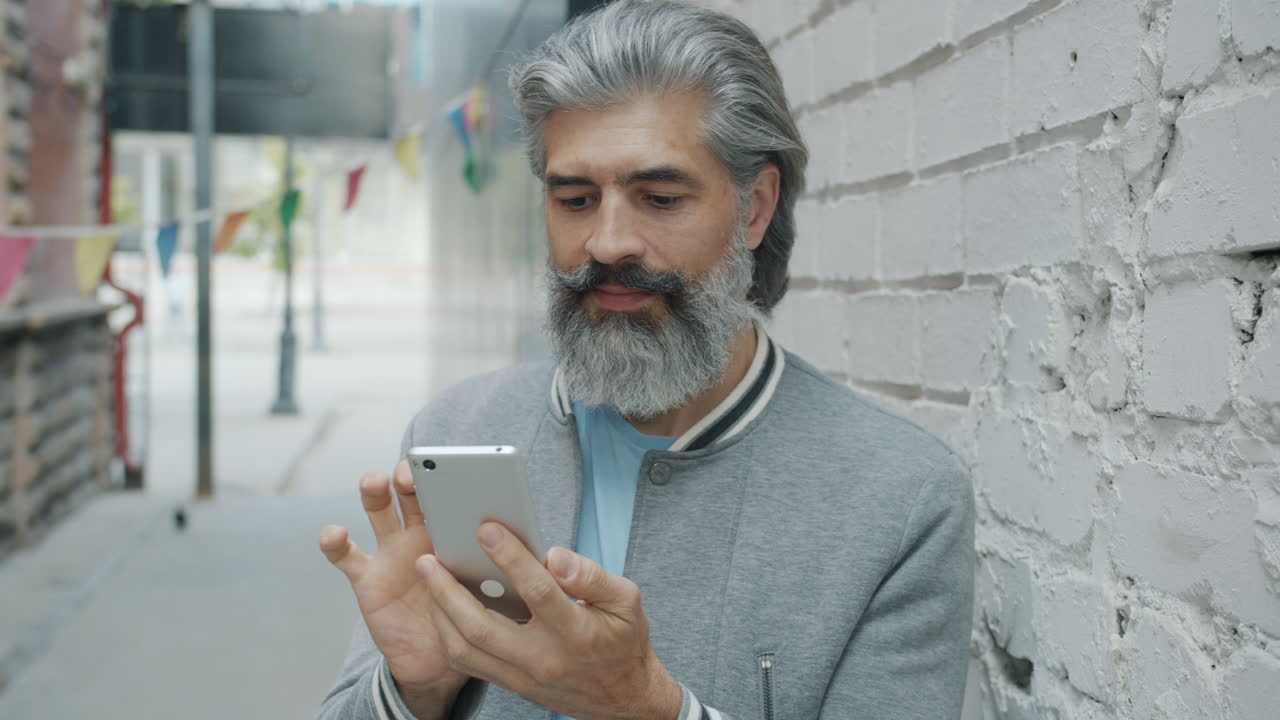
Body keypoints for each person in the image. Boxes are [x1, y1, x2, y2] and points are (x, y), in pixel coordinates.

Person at [316, 2, 975, 719]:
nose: (606, 243)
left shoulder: (901, 501)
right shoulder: (456, 430)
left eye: (658, 197)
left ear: (754, 207)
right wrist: (412, 691)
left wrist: (647, 707)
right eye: (574, 198)